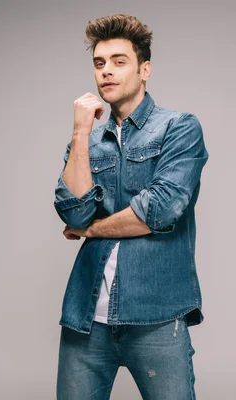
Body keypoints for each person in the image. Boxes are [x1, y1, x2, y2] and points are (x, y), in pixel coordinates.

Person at [53, 14, 209, 399]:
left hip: (156, 315)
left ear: (145, 69)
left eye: (119, 61)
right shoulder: (87, 141)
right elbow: (72, 212)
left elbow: (157, 210)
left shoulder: (179, 128)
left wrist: (90, 230)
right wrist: (80, 132)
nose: (106, 71)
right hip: (86, 317)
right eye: (99, 63)